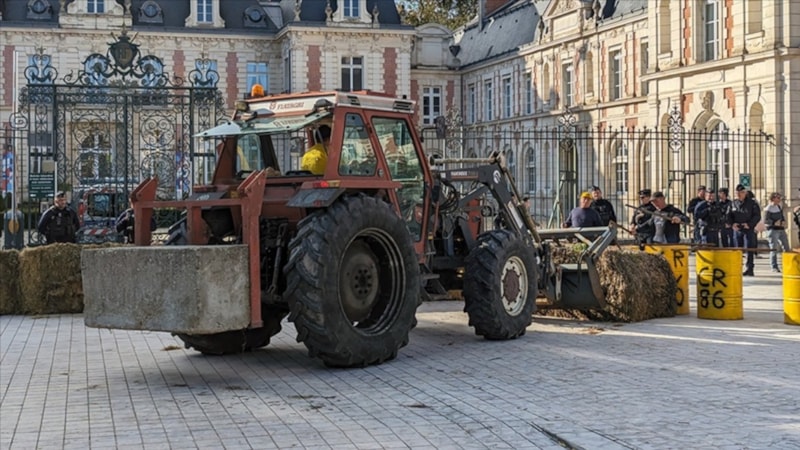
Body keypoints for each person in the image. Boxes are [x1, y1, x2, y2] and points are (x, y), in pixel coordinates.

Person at [728, 184, 761, 276]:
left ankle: (749, 269)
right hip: (737, 229)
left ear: (745, 193)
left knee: (749, 250)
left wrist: (749, 224)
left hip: (748, 229)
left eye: (741, 193)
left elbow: (757, 216)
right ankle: (737, 268)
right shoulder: (733, 203)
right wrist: (732, 224)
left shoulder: (752, 203)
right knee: (737, 250)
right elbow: (728, 215)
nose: (739, 195)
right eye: (737, 193)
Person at [763, 192, 791, 273]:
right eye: (778, 198)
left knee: (786, 247)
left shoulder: (778, 206)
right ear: (773, 198)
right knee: (774, 249)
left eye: (780, 198)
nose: (779, 199)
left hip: (781, 229)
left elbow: (781, 216)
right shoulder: (768, 208)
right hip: (772, 230)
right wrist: (774, 223)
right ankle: (774, 266)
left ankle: (787, 264)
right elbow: (765, 220)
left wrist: (783, 221)